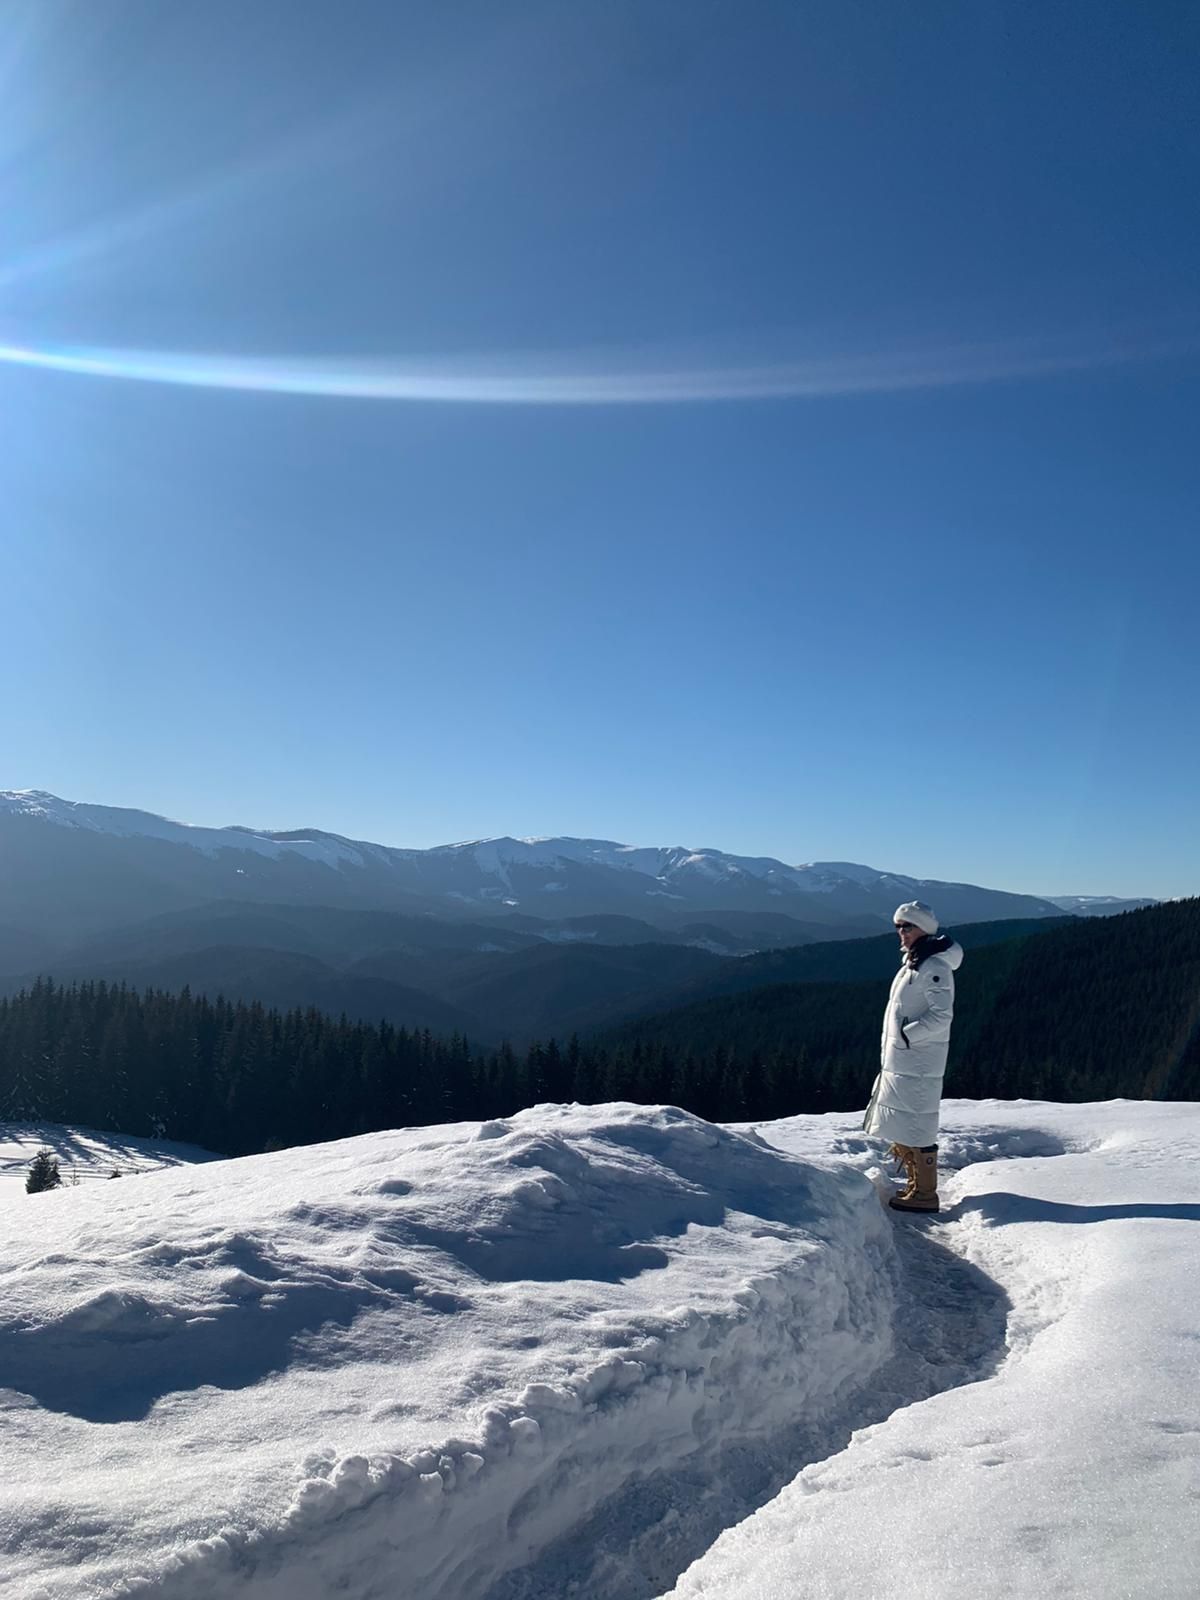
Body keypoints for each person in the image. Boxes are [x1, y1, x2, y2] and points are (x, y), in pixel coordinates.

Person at [863, 901, 963, 1213]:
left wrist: (908, 1036)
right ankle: (916, 1185)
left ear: (924, 928)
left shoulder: (934, 967)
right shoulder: (916, 962)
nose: (901, 932)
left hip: (918, 1060)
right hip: (907, 1060)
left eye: (908, 926)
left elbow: (941, 1015)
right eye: (898, 926)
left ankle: (924, 1194)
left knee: (918, 1121)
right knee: (908, 1120)